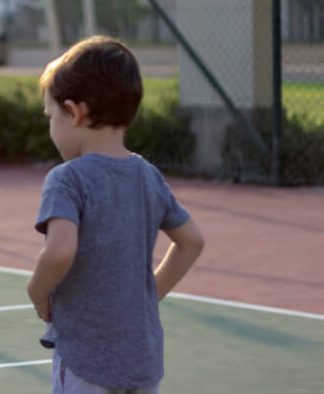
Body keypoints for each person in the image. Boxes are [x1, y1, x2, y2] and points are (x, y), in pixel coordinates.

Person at [27, 36, 205, 393]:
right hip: (141, 358)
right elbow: (191, 241)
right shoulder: (147, 176)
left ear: (74, 112)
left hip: (85, 360)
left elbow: (61, 251)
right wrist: (149, 295)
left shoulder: (68, 178)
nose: (51, 128)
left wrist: (37, 291)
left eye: (51, 116)